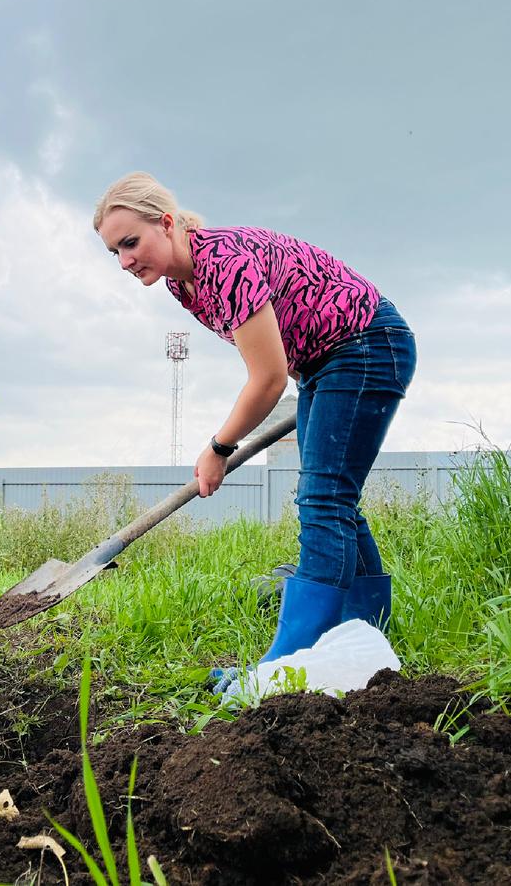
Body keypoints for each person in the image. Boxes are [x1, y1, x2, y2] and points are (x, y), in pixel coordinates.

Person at [92, 172, 416, 691]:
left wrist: (219, 447)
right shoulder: (183, 284)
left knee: (324, 501)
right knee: (335, 502)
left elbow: (265, 378)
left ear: (167, 223)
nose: (126, 261)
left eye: (131, 242)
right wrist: (310, 384)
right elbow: (275, 356)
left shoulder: (225, 263)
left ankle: (284, 666)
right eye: (115, 252)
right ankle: (367, 642)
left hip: (365, 346)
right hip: (323, 364)